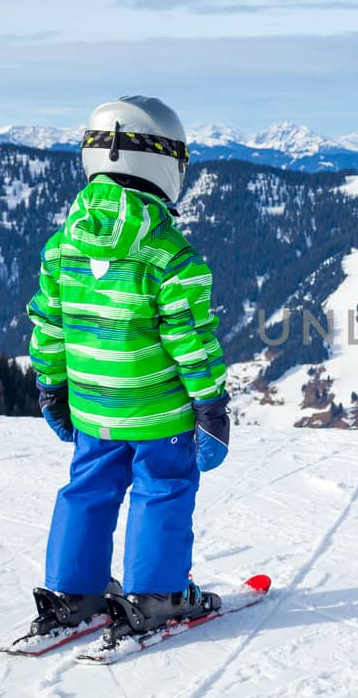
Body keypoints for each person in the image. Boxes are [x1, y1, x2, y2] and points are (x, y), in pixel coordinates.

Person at [24, 95, 230, 634]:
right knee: (162, 488)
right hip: (159, 412)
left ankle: (73, 592)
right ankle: (156, 594)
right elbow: (192, 340)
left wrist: (52, 387)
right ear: (166, 163)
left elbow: (48, 323)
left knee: (87, 489)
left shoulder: (61, 247)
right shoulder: (170, 255)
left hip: (93, 408)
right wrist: (210, 404)